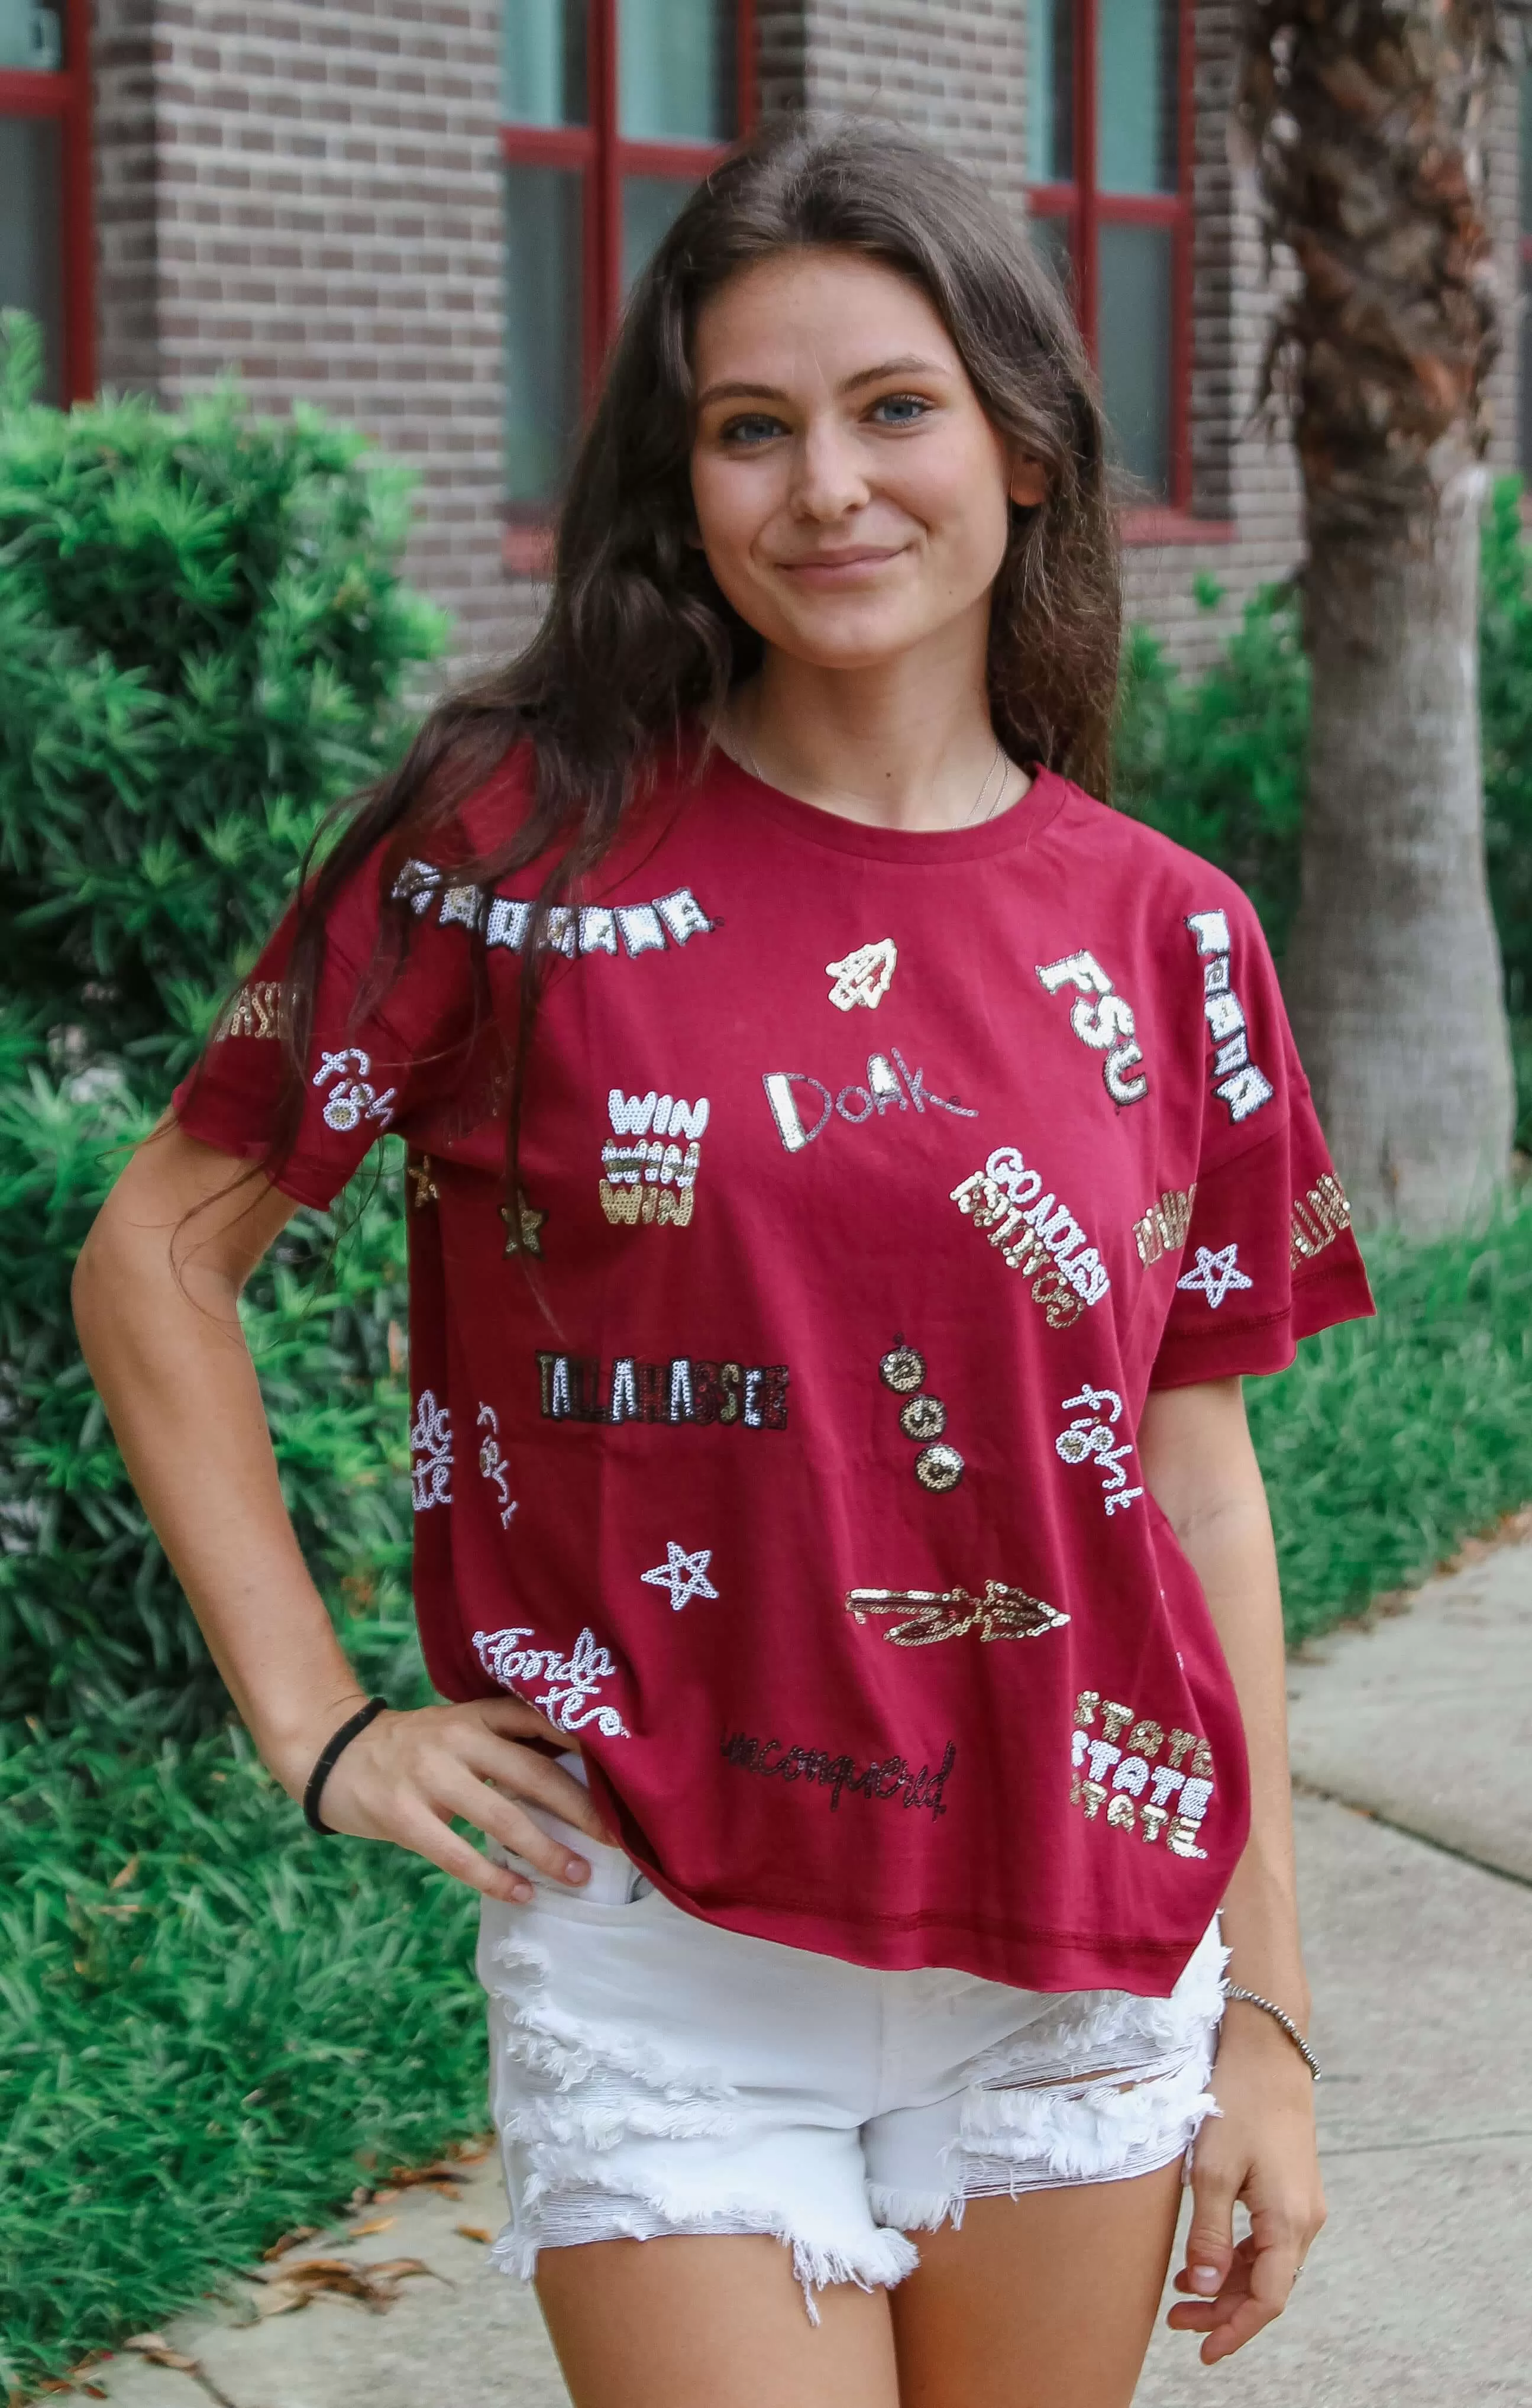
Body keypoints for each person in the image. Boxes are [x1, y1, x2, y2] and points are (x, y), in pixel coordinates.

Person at [73, 115, 1373, 2408]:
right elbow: (159, 1253)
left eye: (893, 410)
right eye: (747, 431)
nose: (826, 488)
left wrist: (1258, 2013)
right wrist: (315, 1721)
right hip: (659, 1943)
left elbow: (1194, 1494)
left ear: (1026, 453)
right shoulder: (511, 847)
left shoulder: (1169, 938)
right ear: (679, 490)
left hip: (1076, 1939)